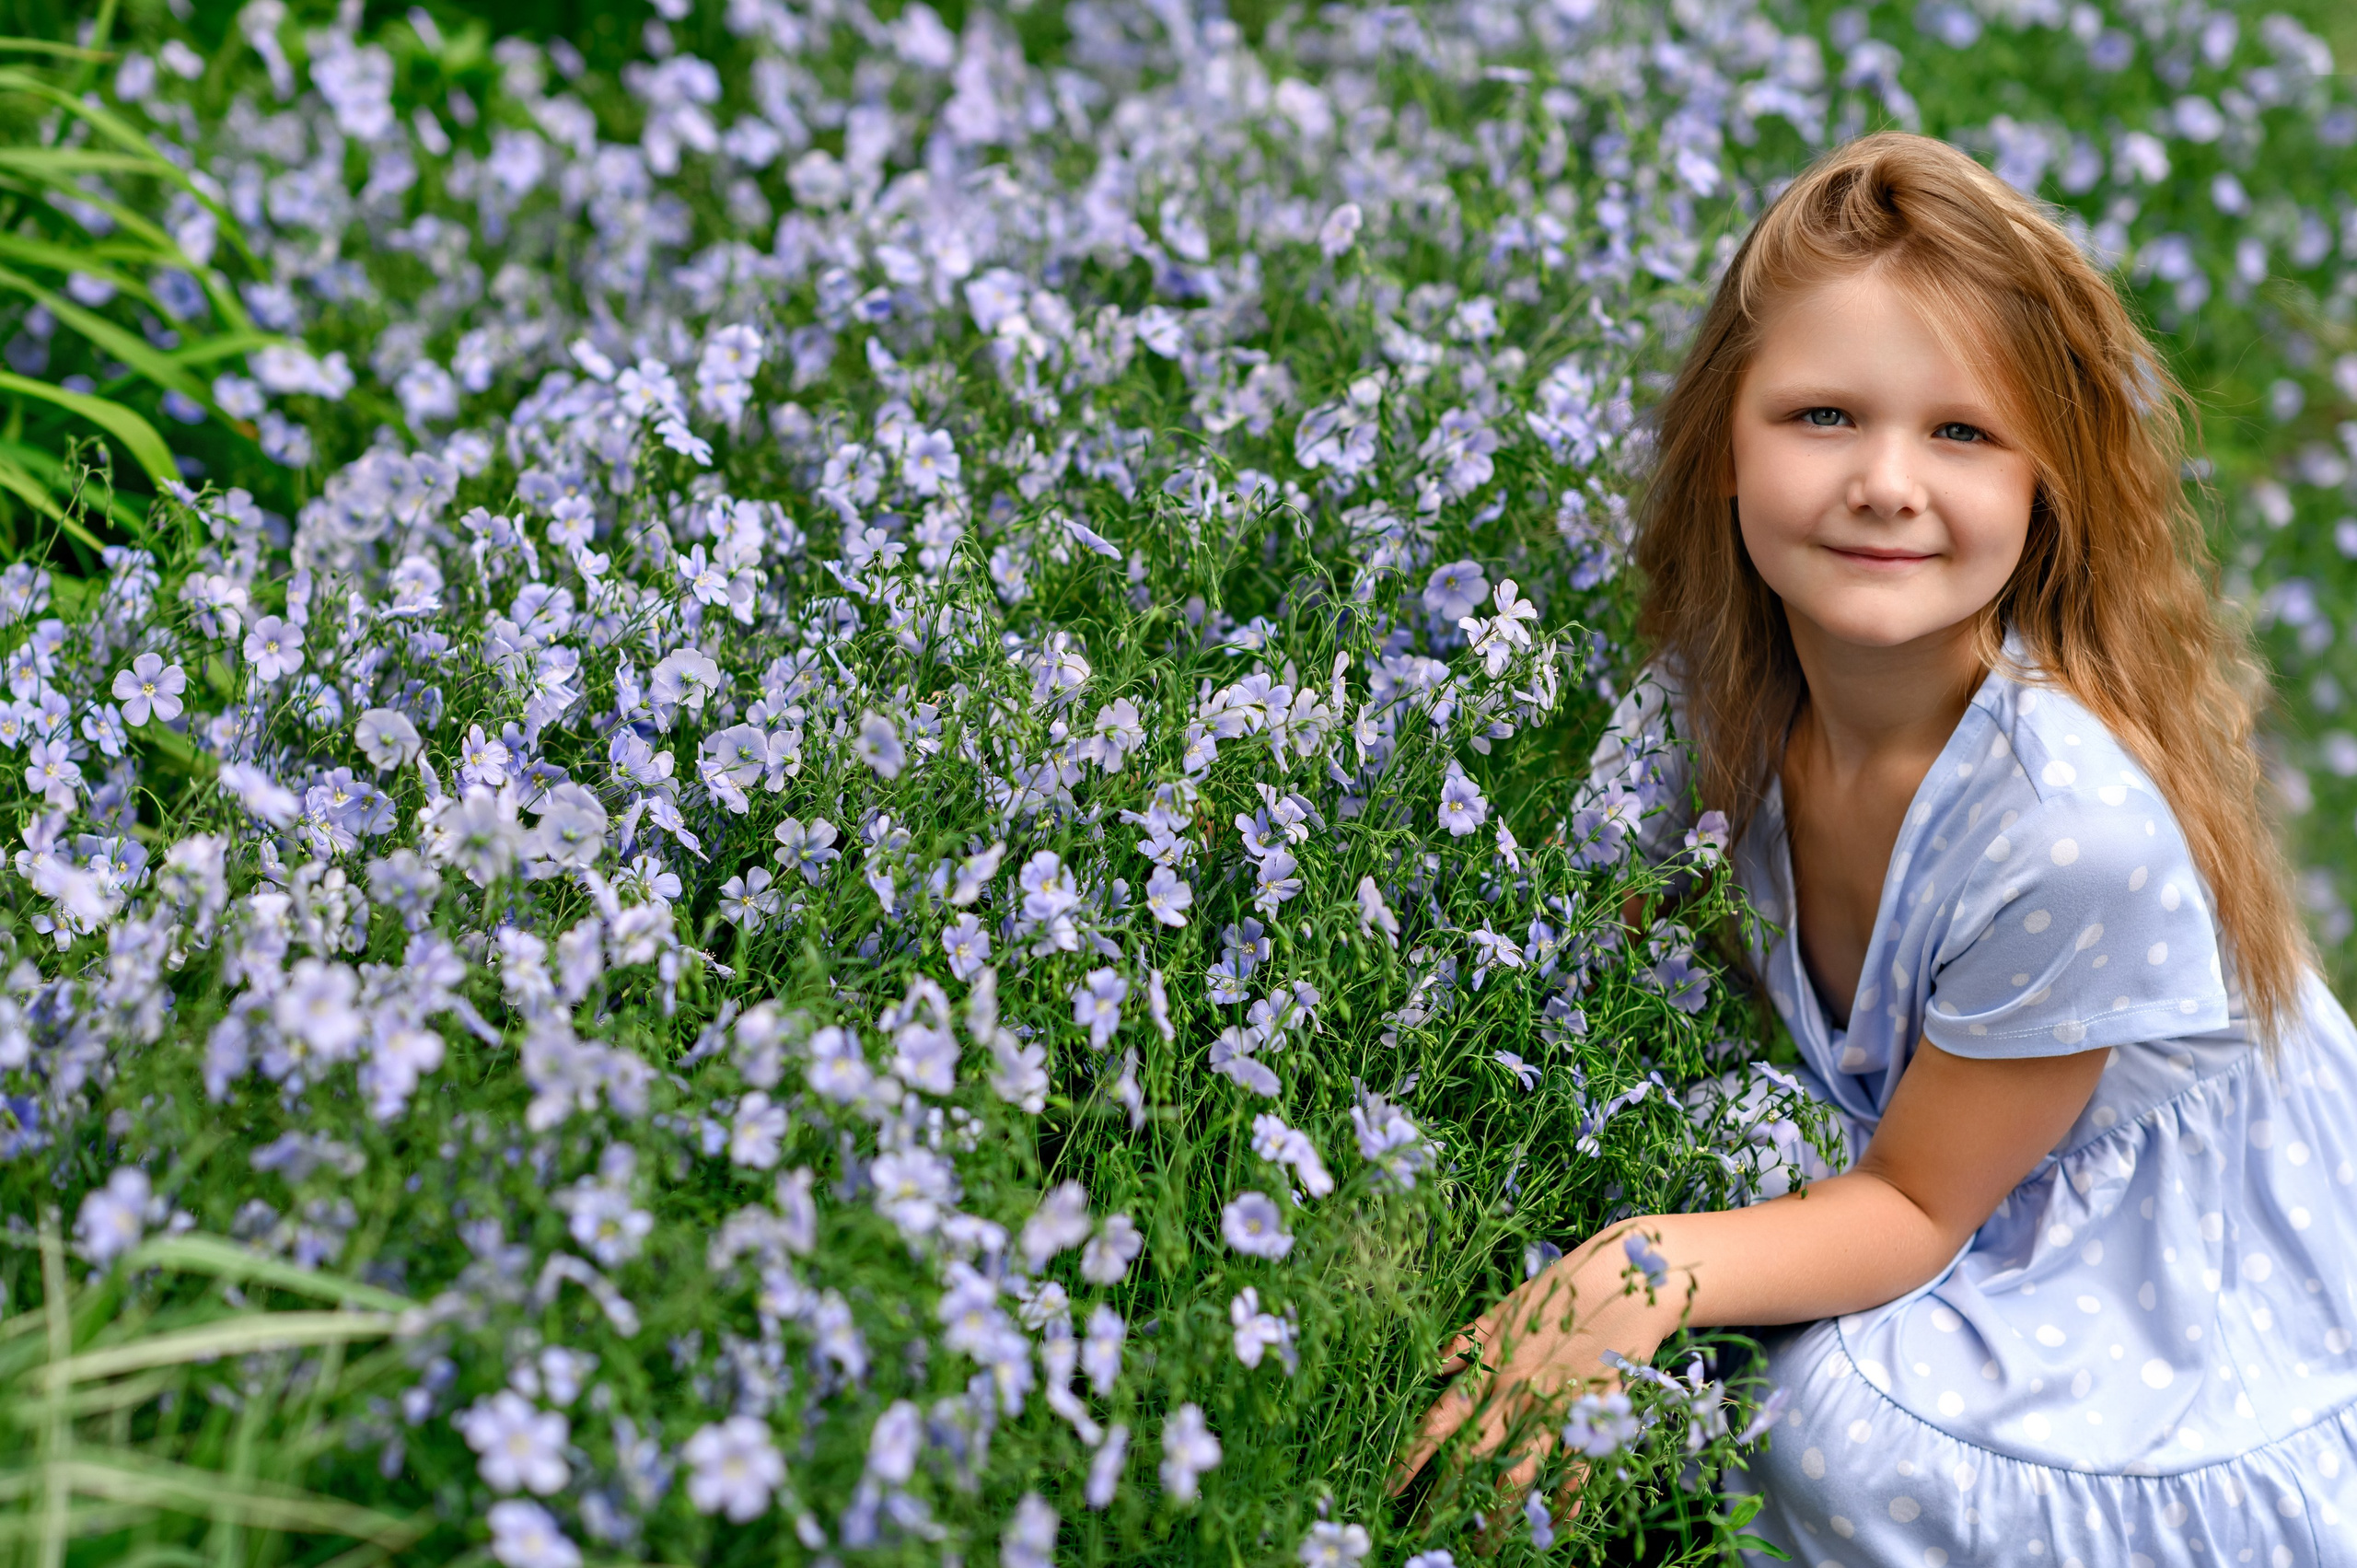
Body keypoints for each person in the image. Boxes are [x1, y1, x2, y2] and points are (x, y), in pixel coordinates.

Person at [1391, 132, 2357, 1564]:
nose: (1887, 483)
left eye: (1962, 433)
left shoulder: (2067, 827)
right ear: (1726, 440)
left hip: (2150, 1256)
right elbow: (1582, 972)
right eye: (1823, 416)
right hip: (1930, 1166)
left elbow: (1915, 1203)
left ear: (2052, 485)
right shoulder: (1710, 701)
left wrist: (1634, 1269)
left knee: (1825, 1422)